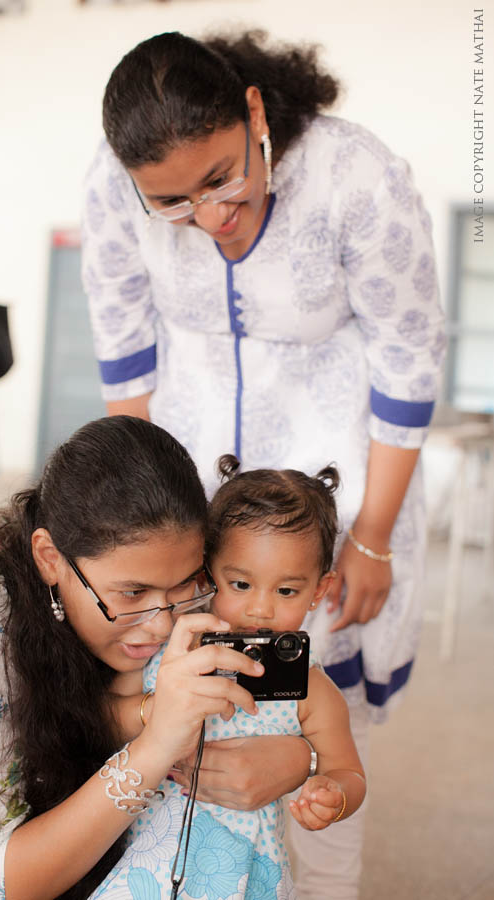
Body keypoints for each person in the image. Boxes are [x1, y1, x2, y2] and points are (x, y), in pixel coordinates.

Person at [82, 30, 446, 898]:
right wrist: (141, 528)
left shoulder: (355, 177)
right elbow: (125, 353)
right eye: (171, 202)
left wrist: (371, 539)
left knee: (320, 719)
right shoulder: (107, 183)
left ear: (253, 113)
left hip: (338, 500)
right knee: (182, 706)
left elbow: (408, 359)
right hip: (191, 496)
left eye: (222, 179)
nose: (208, 218)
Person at [0, 416, 318, 900]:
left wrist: (303, 758)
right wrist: (155, 746)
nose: (160, 624)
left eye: (185, 583)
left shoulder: (154, 573)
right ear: (49, 558)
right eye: (132, 593)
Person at [90, 455, 366, 900]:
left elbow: (348, 770)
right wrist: (157, 714)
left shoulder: (312, 691)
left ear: (320, 590)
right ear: (206, 575)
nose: (261, 608)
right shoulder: (170, 651)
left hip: (243, 880)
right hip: (139, 868)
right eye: (240, 585)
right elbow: (103, 717)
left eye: (287, 590)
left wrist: (333, 794)